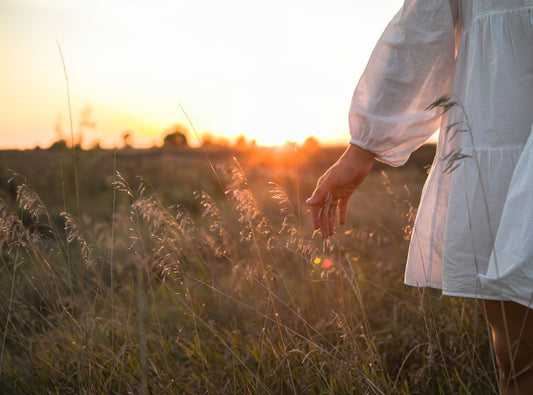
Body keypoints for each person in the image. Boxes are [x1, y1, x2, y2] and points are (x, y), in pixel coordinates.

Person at [306, 1, 533, 393]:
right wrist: (362, 148)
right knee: (519, 353)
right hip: (504, 124)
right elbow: (422, 27)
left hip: (500, 127)